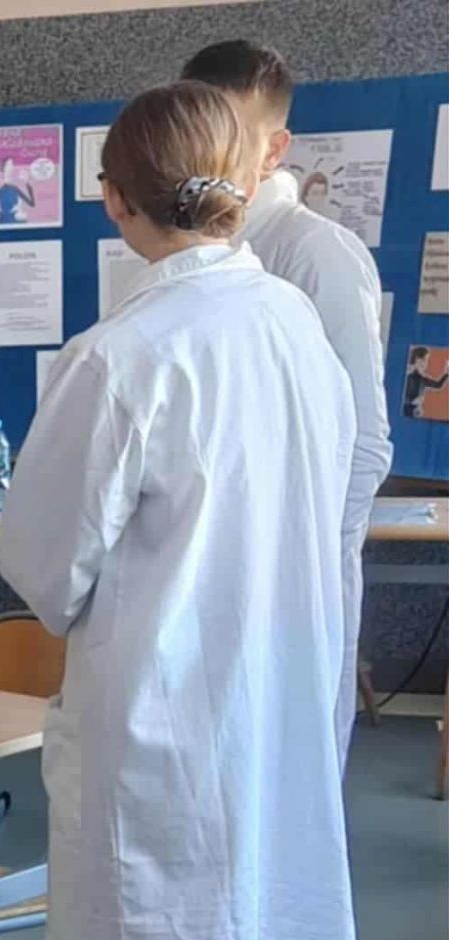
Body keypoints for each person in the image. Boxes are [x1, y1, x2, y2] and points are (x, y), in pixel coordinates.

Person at [0, 81, 360, 940]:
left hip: (163, 744)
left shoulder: (119, 356)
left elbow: (44, 569)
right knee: (268, 933)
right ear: (248, 178)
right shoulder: (295, 324)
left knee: (163, 939)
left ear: (114, 199)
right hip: (279, 715)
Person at [183, 40, 391, 769]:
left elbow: (366, 443)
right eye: (196, 130)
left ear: (275, 149)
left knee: (290, 772)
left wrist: (303, 561)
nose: (209, 155)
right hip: (205, 569)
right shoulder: (181, 249)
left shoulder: (316, 253)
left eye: (231, 135)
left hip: (291, 581)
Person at [404, 345, 449, 418]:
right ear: (417, 360)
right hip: (405, 412)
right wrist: (412, 401)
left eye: (427, 360)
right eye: (425, 360)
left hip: (415, 412)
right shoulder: (407, 375)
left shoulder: (422, 378)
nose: (426, 363)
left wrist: (446, 373)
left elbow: (438, 385)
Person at [0, 157, 35, 224]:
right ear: (4, 167)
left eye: (12, 165)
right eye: (10, 165)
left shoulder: (15, 188)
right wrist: (8, 212)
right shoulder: (0, 190)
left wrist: (27, 182)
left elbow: (32, 204)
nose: (12, 167)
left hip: (16, 220)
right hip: (5, 221)